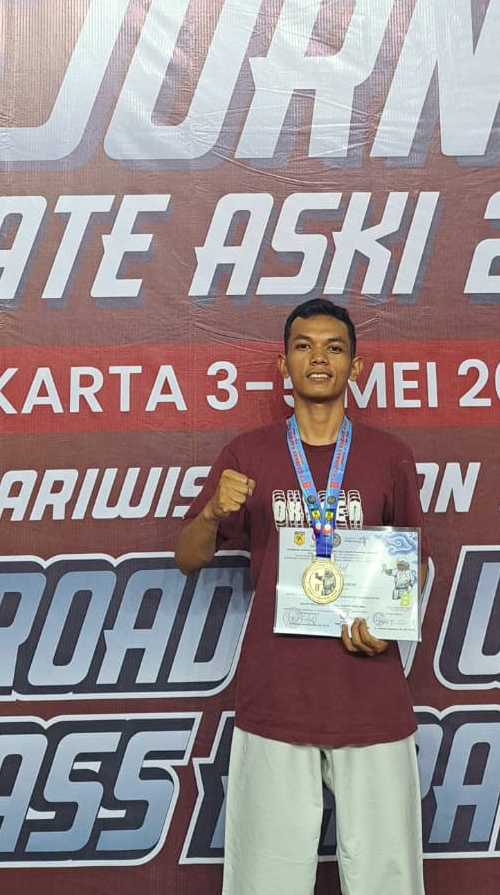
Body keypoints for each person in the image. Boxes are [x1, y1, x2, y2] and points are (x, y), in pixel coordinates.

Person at [175, 298, 426, 894]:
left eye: (334, 348)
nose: (318, 358)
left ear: (355, 367)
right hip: (277, 692)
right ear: (283, 364)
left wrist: (387, 624)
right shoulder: (248, 454)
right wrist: (211, 512)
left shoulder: (389, 456)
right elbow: (187, 557)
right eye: (303, 347)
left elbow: (411, 564)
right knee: (266, 879)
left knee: (388, 877)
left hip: (369, 692)